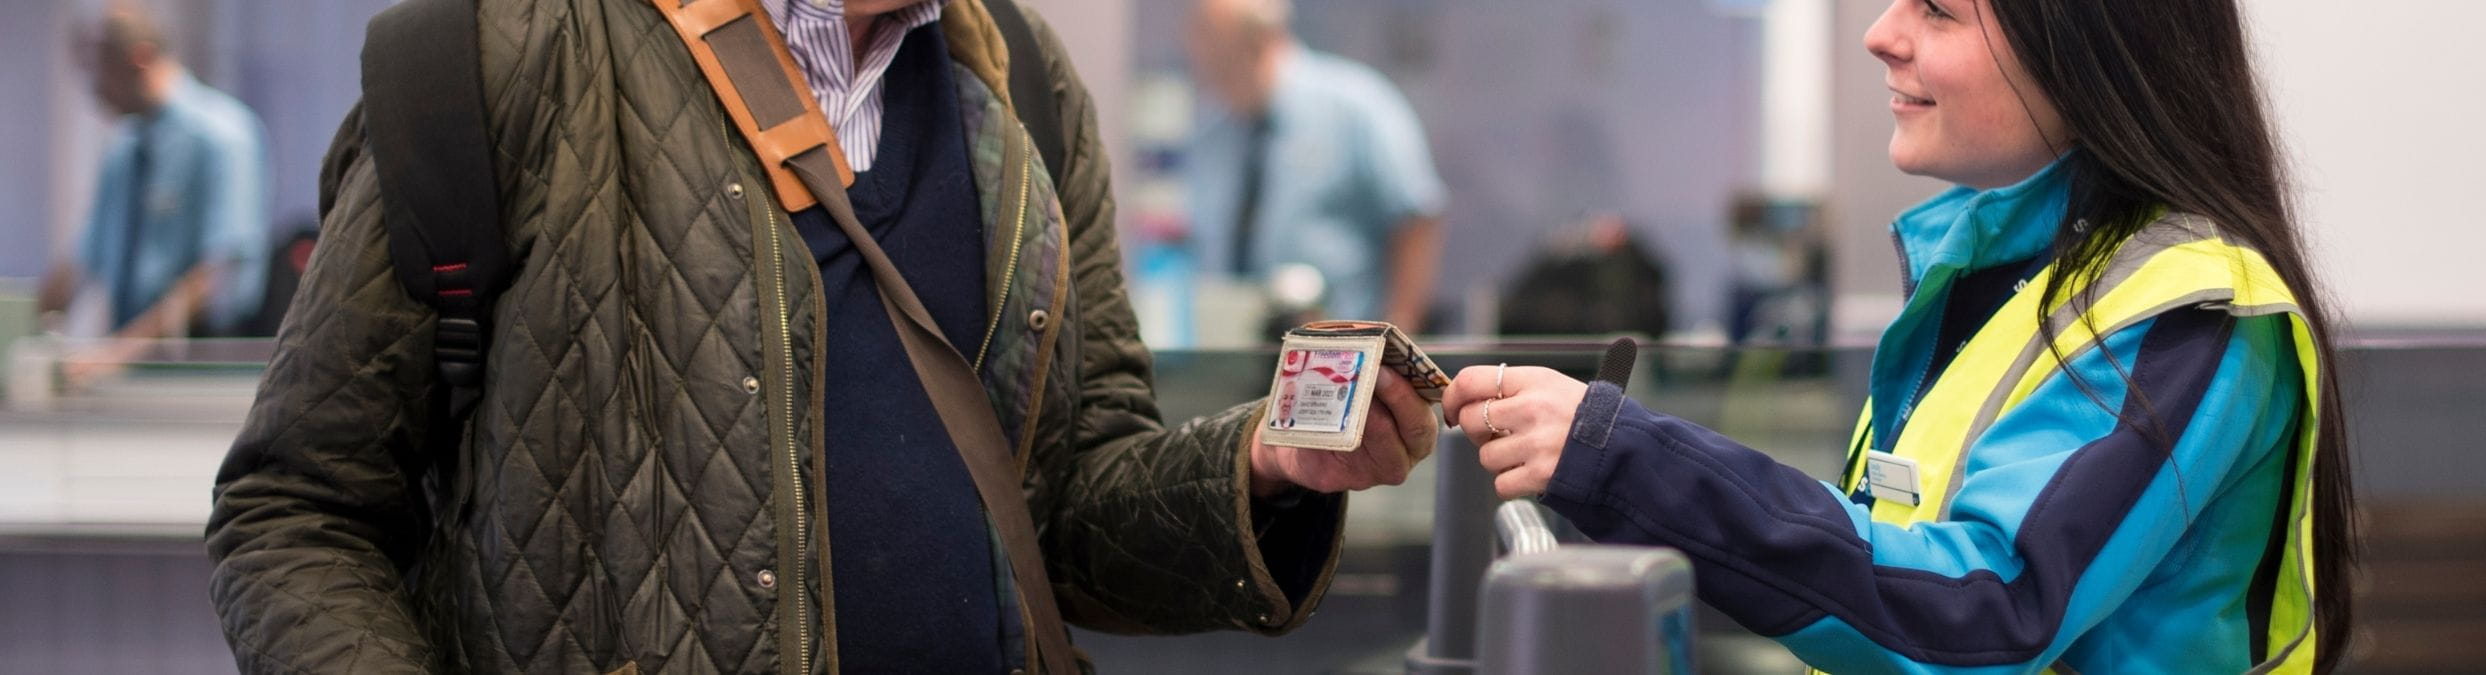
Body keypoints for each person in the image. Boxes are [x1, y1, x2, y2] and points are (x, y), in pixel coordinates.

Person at [204, 0, 1436, 672]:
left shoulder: (1021, 82)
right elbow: (295, 512)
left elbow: (1066, 508)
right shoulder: (505, 52)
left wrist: (1266, 470)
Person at [1439, 0, 2355, 672]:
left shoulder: (2193, 315)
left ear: (2088, 52)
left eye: (1940, 11)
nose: (1882, 32)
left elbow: (1986, 612)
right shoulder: (1984, 272)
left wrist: (1629, 459)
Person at [1181, 0, 1446, 330]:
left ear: (1261, 39)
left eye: (1214, 42)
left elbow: (1416, 216)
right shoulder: (1212, 131)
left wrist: (1397, 336)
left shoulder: (1357, 105)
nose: (1200, 56)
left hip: (1341, 357)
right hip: (1233, 354)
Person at [40, 4, 269, 368]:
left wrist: (118, 352)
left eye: (100, 69)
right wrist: (26, 325)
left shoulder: (223, 135)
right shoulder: (123, 148)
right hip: (134, 362)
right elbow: (85, 258)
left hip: (201, 361)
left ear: (140, 59)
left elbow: (221, 271)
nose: (93, 89)